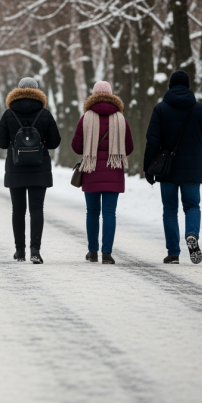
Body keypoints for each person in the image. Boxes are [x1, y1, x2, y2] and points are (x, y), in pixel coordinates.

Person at [144, 70, 202, 265]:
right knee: (192, 205)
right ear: (188, 86)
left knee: (169, 210)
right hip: (192, 168)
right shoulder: (200, 110)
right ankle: (192, 233)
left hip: (166, 169)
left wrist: (147, 168)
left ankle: (173, 253)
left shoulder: (160, 109)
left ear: (170, 86)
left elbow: (152, 141)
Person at [0, 77, 61, 264]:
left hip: (15, 167)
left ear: (18, 90)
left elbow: (0, 142)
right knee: (36, 209)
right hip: (39, 167)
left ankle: (19, 251)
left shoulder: (9, 113)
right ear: (37, 91)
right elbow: (55, 142)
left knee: (18, 210)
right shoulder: (45, 114)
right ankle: (35, 250)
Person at [71, 81, 134, 265]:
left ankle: (92, 252)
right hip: (113, 172)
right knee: (109, 213)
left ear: (93, 95)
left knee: (92, 212)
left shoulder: (86, 118)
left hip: (91, 171)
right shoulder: (121, 119)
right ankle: (107, 253)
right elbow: (129, 148)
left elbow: (76, 147)